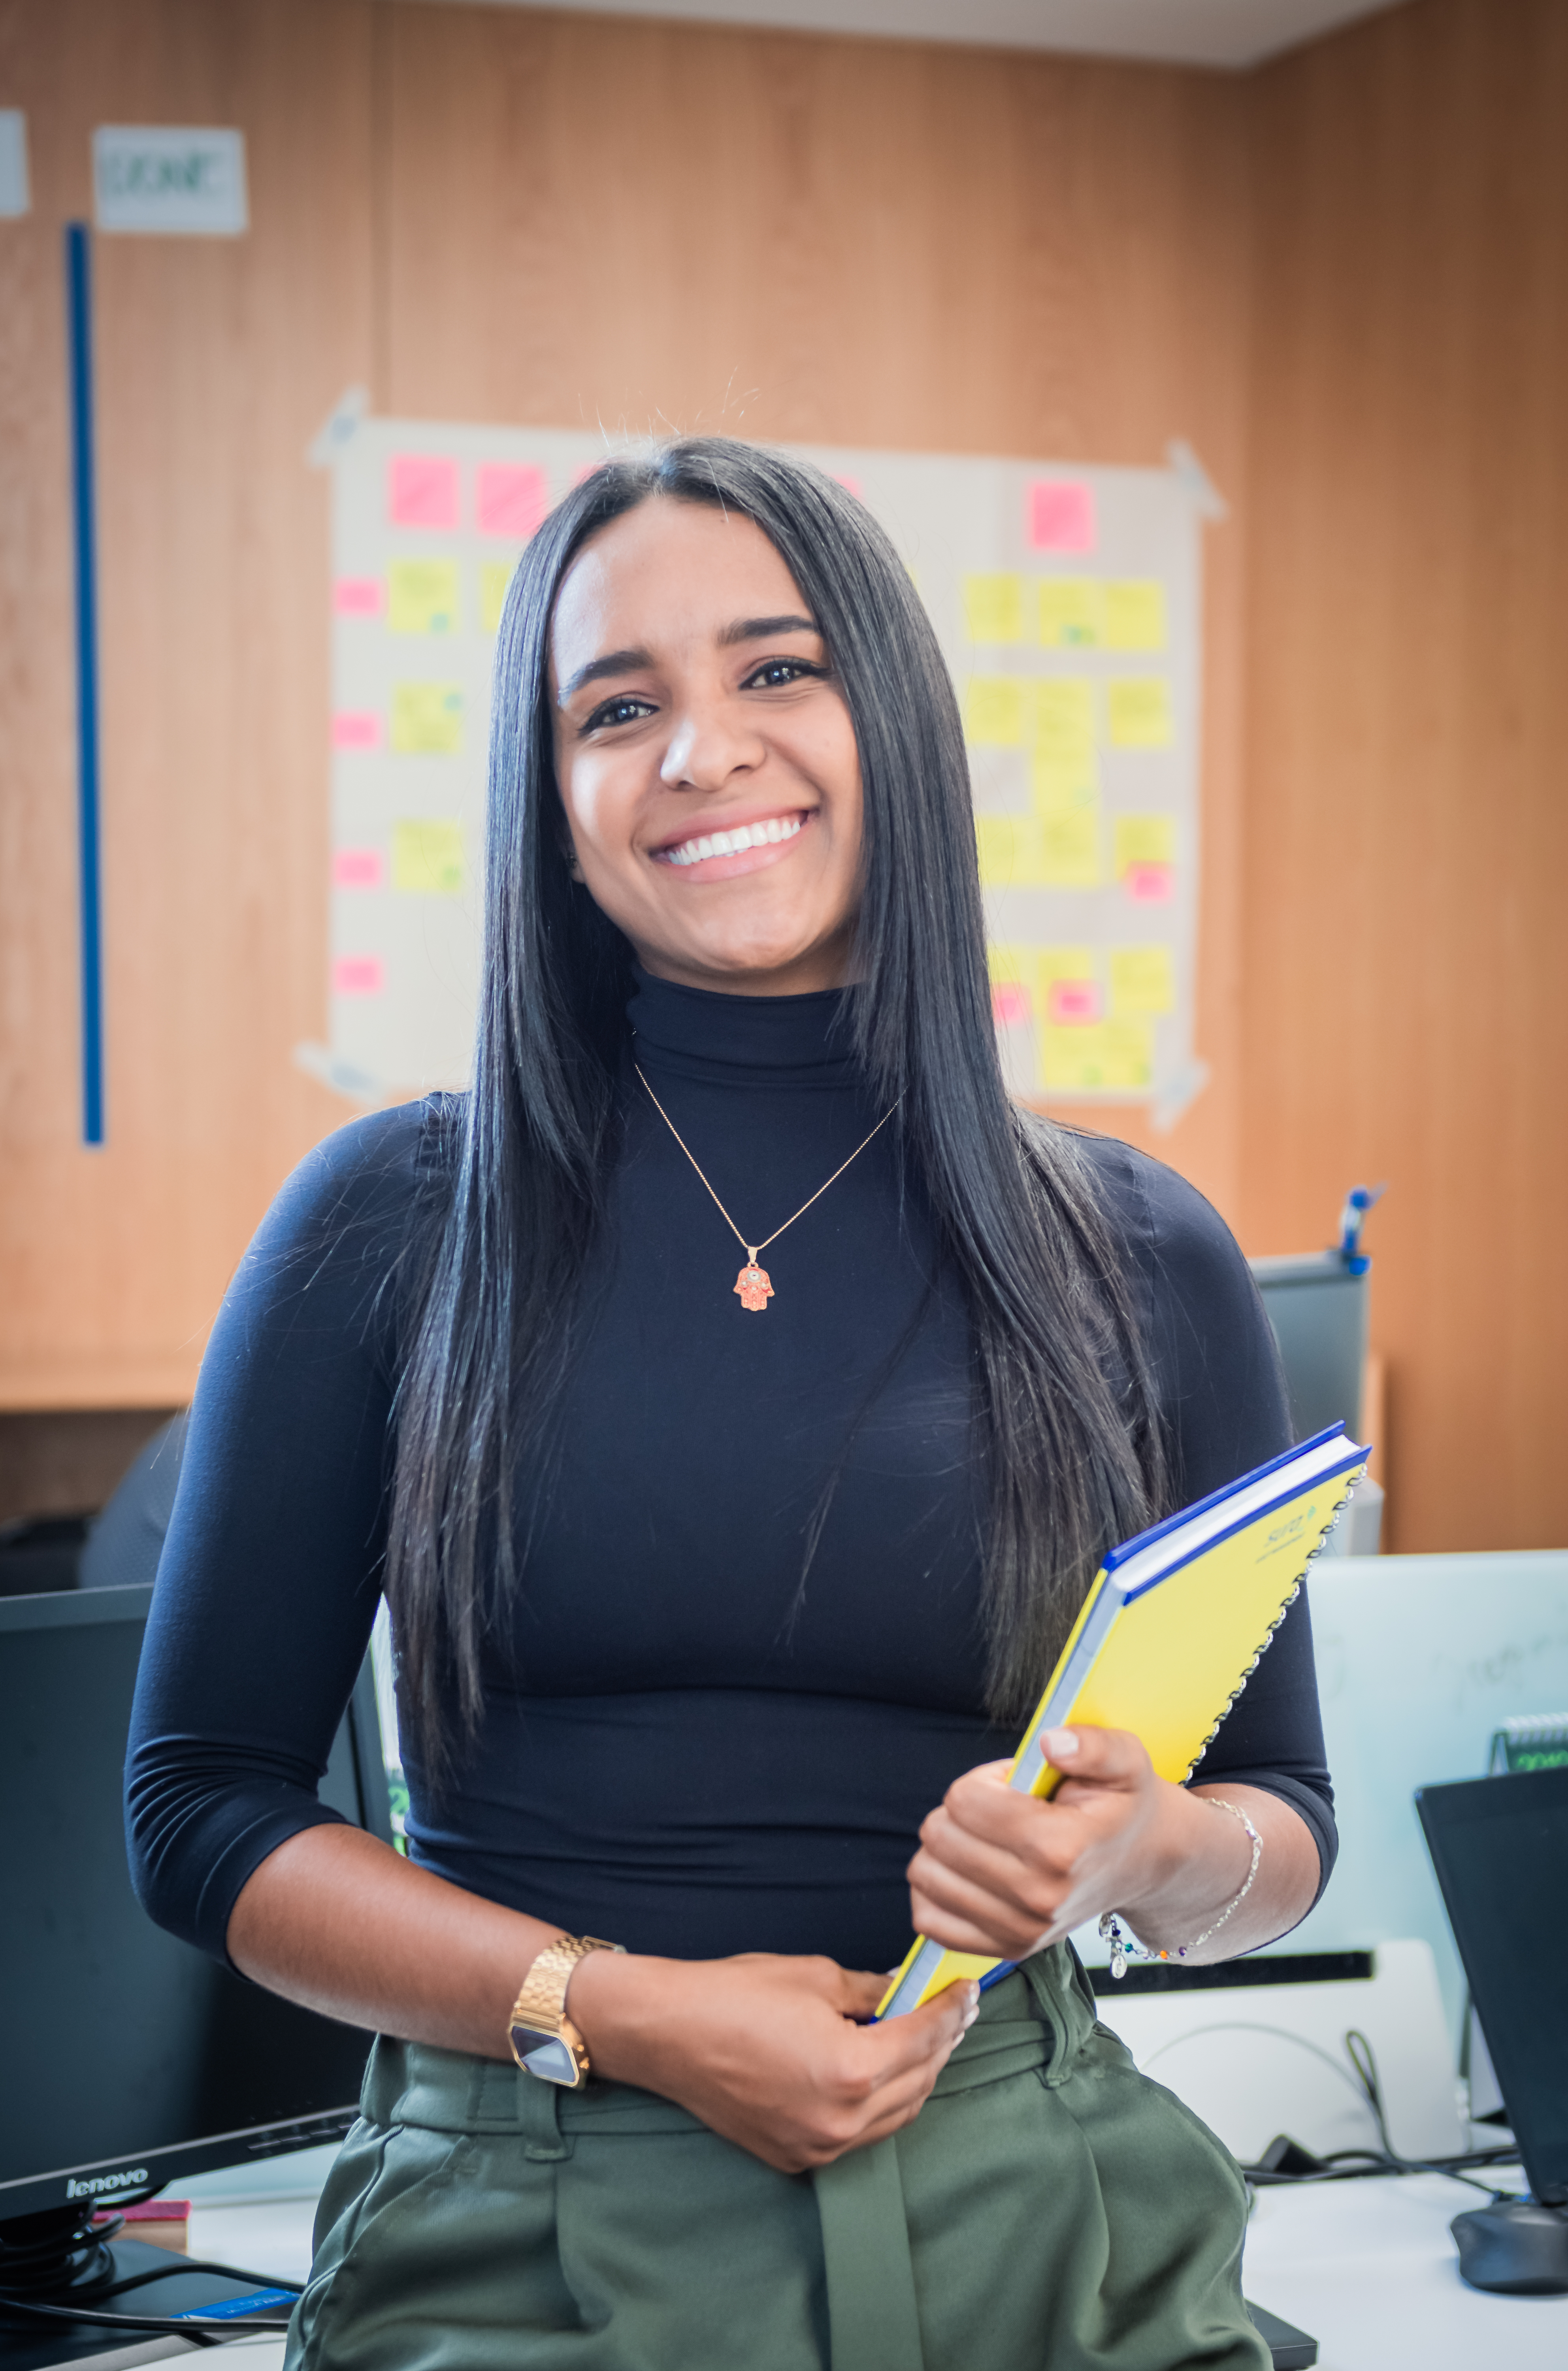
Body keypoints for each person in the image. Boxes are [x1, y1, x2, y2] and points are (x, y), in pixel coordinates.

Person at [127, 437, 1335, 2371]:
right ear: (556, 797)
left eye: (776, 671)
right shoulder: (394, 1217)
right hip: (534, 2206)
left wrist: (1143, 1855)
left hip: (1043, 2195)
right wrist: (628, 2011)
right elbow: (199, 1816)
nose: (703, 751)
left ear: (893, 719)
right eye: (620, 706)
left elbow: (1281, 1823)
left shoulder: (1131, 1245)